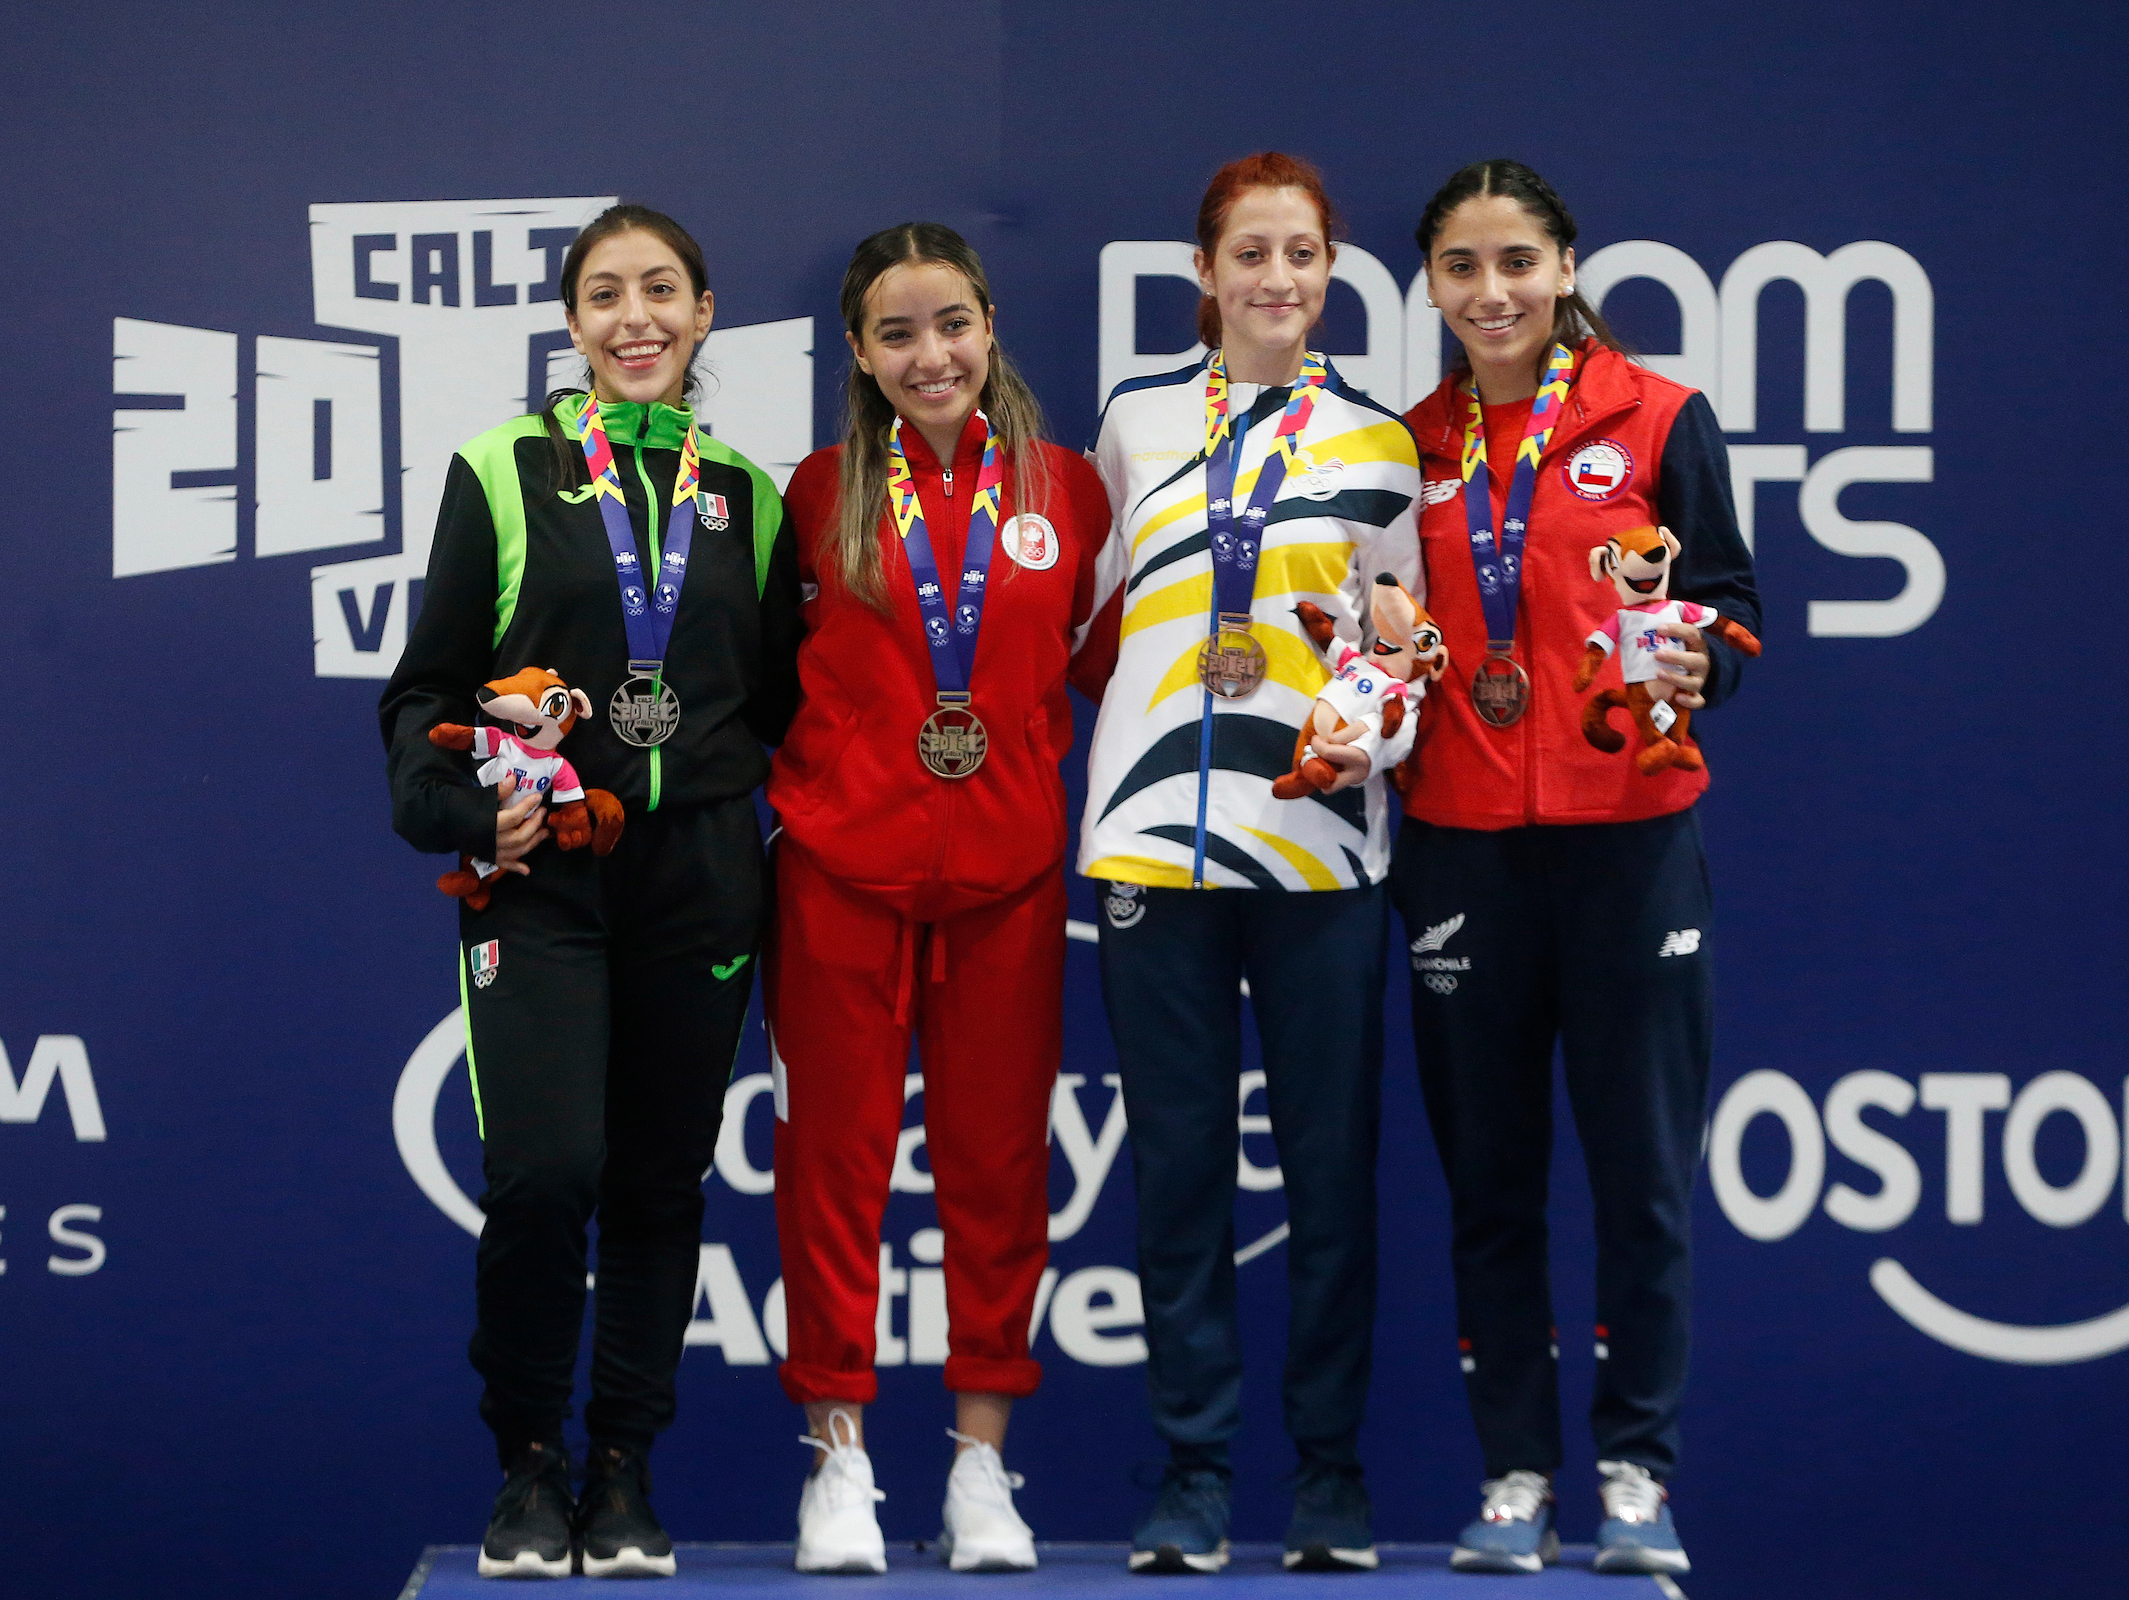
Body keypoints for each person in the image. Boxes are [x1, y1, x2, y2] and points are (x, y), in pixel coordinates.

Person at [379, 204, 801, 1579]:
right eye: (608, 294)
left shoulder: (750, 495)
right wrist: (465, 813)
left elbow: (781, 706)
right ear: (573, 322)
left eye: (662, 290)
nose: (637, 318)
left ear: (704, 312)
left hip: (701, 880)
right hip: (544, 876)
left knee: (660, 1185)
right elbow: (426, 693)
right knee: (545, 1174)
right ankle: (527, 1461)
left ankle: (622, 1468)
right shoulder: (502, 471)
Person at [1391, 158, 1762, 1578]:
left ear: (1564, 267)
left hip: (1630, 845)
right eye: (1462, 266)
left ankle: (1635, 1472)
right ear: (1431, 283)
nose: (1491, 293)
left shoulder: (1658, 417)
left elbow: (1730, 607)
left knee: (1643, 1181)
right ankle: (1514, 1476)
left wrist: (1701, 662)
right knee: (1491, 1185)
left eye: (1516, 262)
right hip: (1463, 851)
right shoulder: (1410, 445)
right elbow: (1376, 630)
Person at [1081, 150, 1423, 1574]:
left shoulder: (1382, 443)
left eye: (1302, 254)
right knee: (1178, 1179)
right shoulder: (1135, 419)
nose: (1277, 278)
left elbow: (1401, 656)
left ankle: (1330, 1477)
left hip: (1320, 847)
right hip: (1153, 844)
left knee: (1331, 1178)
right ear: (1204, 273)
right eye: (1250, 253)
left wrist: (1374, 726)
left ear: (1330, 272)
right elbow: (1092, 621)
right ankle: (1194, 1476)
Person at [762, 222, 1113, 1576]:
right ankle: (837, 1465)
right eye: (897, 333)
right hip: (840, 873)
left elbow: (1106, 659)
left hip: (1006, 878)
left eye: (951, 323)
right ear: (858, 353)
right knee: (832, 1172)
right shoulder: (817, 491)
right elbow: (774, 674)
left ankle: (980, 1468)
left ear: (989, 325)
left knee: (998, 1169)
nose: (931, 355)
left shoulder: (1066, 490)